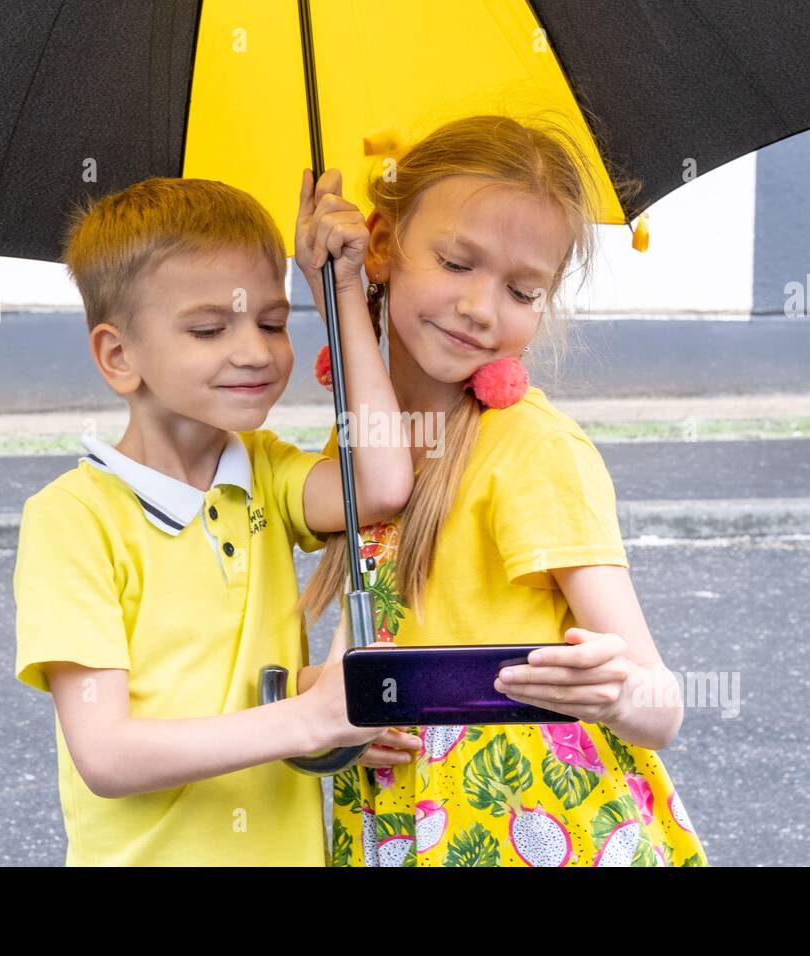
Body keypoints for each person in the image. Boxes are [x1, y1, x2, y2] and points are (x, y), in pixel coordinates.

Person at [297, 114, 710, 866]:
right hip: (400, 831)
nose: (483, 308)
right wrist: (339, 714)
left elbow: (663, 706)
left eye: (523, 290)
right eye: (457, 264)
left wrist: (619, 693)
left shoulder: (533, 451)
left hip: (538, 829)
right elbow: (359, 649)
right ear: (384, 244)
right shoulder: (362, 448)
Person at [13, 173, 411, 865]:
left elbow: (379, 482)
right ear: (119, 357)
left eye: (274, 322)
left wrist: (341, 294)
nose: (256, 351)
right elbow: (107, 754)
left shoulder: (266, 470)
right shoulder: (71, 521)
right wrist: (304, 721)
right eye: (207, 328)